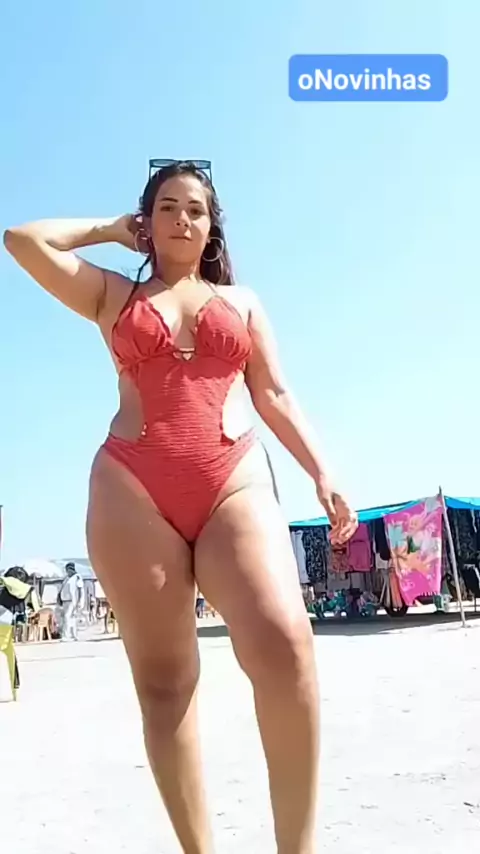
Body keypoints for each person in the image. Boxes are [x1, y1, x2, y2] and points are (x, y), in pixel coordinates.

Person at [4, 160, 357, 853]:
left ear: (211, 225)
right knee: (165, 685)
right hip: (132, 487)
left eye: (195, 208)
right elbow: (22, 240)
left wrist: (323, 472)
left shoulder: (244, 303)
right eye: (166, 206)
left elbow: (273, 394)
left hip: (233, 477)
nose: (182, 219)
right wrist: (110, 230)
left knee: (286, 645)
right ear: (148, 219)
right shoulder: (111, 295)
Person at [58, 562, 85, 641]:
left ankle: (67, 635)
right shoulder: (66, 578)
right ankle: (74, 635)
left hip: (72, 600)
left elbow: (81, 590)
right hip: (65, 600)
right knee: (70, 618)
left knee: (67, 616)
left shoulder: (77, 577)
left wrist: (81, 601)